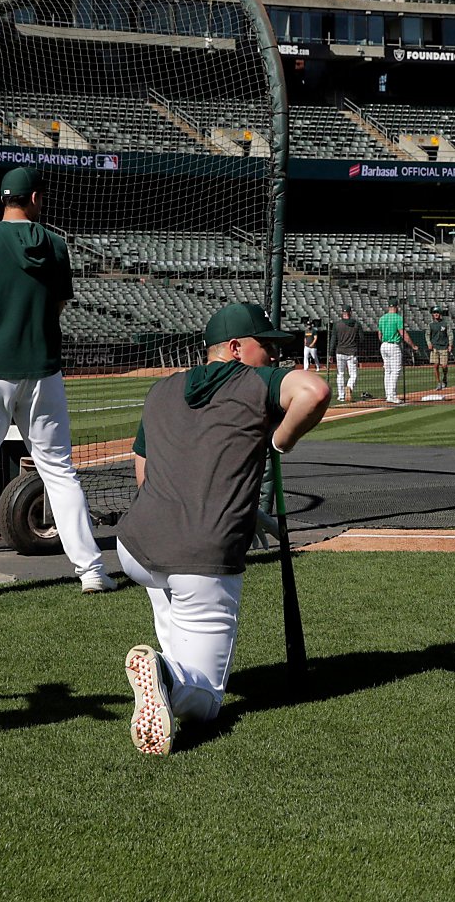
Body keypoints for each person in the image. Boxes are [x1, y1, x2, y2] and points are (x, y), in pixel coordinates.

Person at [117, 302, 330, 755]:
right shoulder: (255, 381)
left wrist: (240, 510)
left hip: (134, 546)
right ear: (235, 348)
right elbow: (313, 391)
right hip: (201, 557)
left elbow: (146, 467)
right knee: (208, 701)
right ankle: (168, 678)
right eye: (264, 347)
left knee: (179, 635)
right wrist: (280, 440)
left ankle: (164, 673)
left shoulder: (162, 389)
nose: (273, 358)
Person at [0, 167, 113, 599]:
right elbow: (56, 307)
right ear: (35, 197)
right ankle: (91, 570)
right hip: (43, 372)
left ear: (4, 199)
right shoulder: (55, 244)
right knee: (59, 472)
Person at [378, 297, 418, 405]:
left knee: (387, 371)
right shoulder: (398, 318)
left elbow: (379, 335)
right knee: (396, 371)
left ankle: (388, 395)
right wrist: (413, 345)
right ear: (397, 307)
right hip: (393, 345)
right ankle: (392, 395)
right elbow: (403, 334)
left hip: (384, 345)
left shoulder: (382, 318)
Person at [332, 305, 364, 404]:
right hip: (352, 352)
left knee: (340, 374)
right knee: (353, 375)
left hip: (340, 352)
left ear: (342, 312)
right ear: (350, 313)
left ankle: (341, 396)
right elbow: (362, 339)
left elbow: (333, 340)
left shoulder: (337, 325)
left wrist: (330, 354)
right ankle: (349, 387)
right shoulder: (356, 324)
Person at [426, 308, 454, 391]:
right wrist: (429, 343)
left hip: (444, 346)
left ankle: (444, 378)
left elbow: (450, 334)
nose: (436, 314)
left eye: (437, 312)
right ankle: (438, 383)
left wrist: (450, 344)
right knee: (435, 365)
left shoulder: (445, 324)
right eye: (434, 313)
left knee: (444, 365)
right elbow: (427, 335)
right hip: (434, 347)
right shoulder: (430, 325)